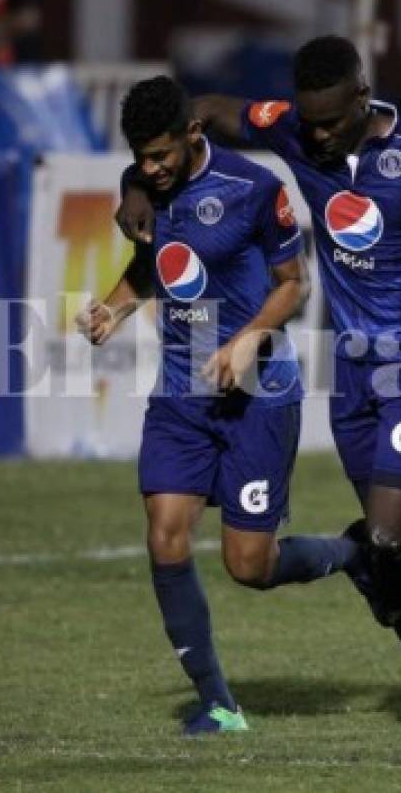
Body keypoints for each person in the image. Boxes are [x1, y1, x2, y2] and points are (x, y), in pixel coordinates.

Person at [116, 36, 401, 735]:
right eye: (308, 122)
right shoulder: (286, 127)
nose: (316, 135)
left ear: (362, 98)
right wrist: (133, 184)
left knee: (386, 533)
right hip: (350, 369)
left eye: (330, 121)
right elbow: (193, 109)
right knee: (382, 550)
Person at [77, 76, 360, 736]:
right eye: (139, 160)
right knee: (164, 533)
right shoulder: (150, 191)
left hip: (258, 394)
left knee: (248, 566)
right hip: (181, 391)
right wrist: (112, 309)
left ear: (192, 135)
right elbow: (154, 266)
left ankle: (353, 556)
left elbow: (294, 286)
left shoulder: (254, 191)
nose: (149, 170)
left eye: (159, 157)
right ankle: (218, 704)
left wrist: (246, 340)